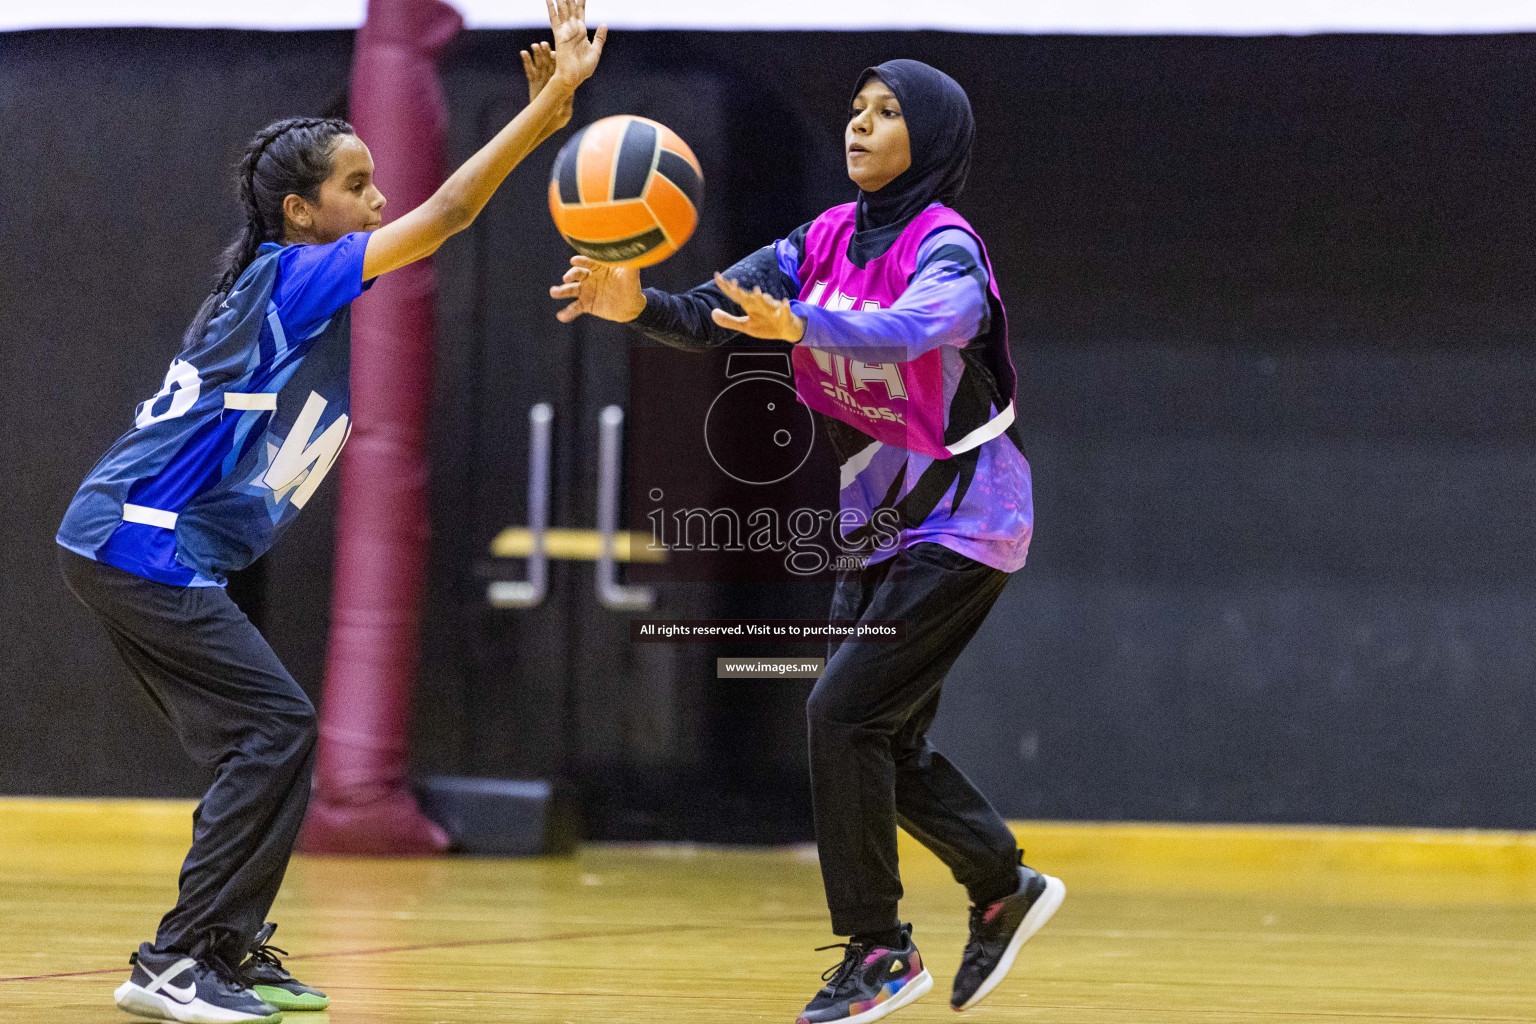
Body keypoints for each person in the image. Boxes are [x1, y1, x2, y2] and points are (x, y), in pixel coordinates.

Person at [54, 5, 605, 1022]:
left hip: (133, 543)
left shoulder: (279, 285)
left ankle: (221, 945)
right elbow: (444, 214)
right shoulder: (295, 275)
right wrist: (546, 112)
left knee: (262, 737)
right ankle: (178, 960)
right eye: (357, 185)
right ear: (302, 212)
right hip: (136, 542)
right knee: (276, 725)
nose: (378, 195)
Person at [549, 58, 1065, 1024]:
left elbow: (927, 325)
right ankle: (1002, 884)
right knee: (879, 737)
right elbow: (713, 312)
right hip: (871, 524)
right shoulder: (820, 238)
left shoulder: (945, 244)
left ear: (935, 139)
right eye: (855, 110)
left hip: (965, 516)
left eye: (887, 114)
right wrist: (639, 305)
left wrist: (805, 324)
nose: (860, 127)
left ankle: (879, 952)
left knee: (840, 718)